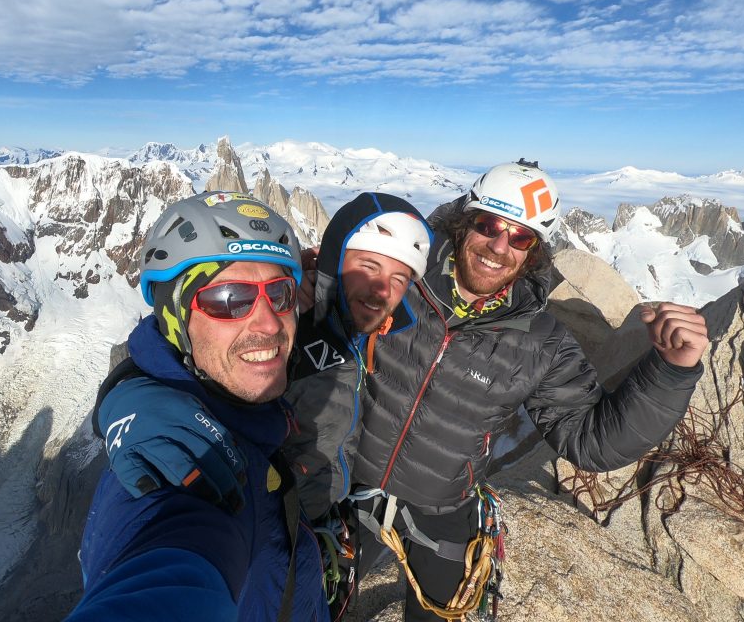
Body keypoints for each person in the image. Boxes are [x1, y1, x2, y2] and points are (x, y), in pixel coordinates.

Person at [96, 162, 710, 621]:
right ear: (464, 221)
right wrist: (133, 399)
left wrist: (671, 371)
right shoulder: (396, 276)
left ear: (536, 249)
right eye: (489, 225)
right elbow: (206, 356)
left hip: (438, 507)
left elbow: (591, 441)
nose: (499, 245)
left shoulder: (541, 343)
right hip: (342, 495)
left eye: (520, 237)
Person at [66, 191, 330, 622]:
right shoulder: (177, 463)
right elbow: (166, 569)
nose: (268, 322)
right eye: (229, 299)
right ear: (175, 319)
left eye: (280, 294)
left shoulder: (248, 412)